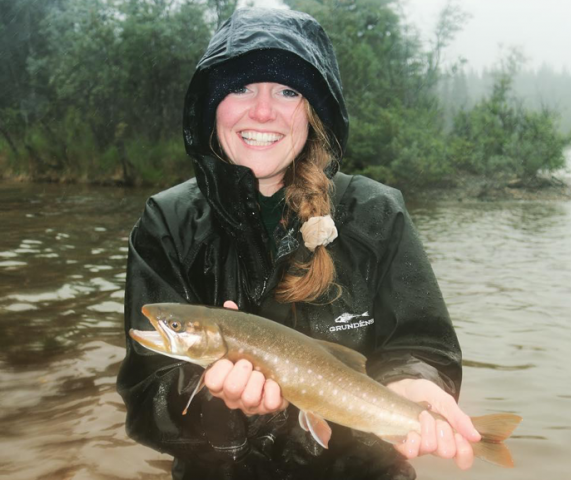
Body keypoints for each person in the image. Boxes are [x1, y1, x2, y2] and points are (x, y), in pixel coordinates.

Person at [117, 7, 480, 480]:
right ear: (211, 105)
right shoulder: (167, 223)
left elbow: (421, 345)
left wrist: (417, 383)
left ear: (314, 110)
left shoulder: (377, 213)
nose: (262, 110)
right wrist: (216, 404)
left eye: (287, 90)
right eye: (241, 87)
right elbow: (146, 403)